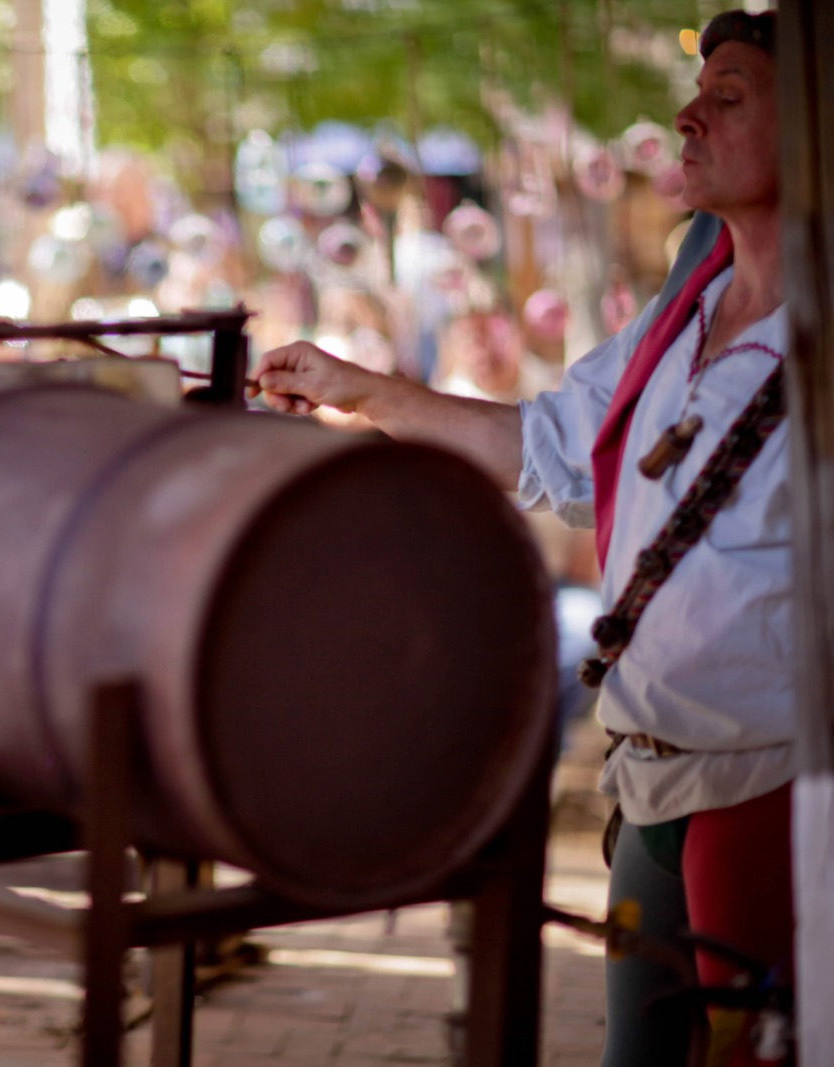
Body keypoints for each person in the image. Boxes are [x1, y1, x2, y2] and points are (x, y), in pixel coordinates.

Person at [252, 12, 790, 1066]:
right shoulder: (685, 312)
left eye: (727, 96)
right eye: (698, 91)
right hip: (649, 779)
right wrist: (361, 392)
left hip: (773, 784)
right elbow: (550, 444)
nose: (686, 117)